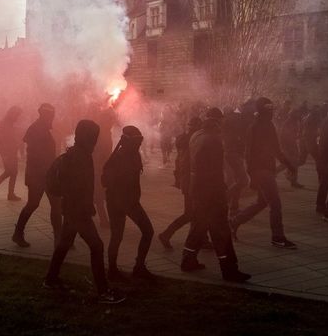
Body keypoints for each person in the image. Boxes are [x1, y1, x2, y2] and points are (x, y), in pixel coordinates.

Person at [44, 120, 125, 304]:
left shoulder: (76, 153)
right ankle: (103, 291)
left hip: (72, 209)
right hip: (77, 211)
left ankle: (50, 279)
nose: (95, 140)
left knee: (64, 244)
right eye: (93, 136)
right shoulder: (80, 157)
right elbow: (77, 188)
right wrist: (86, 208)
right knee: (97, 246)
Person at [180, 108, 251, 283]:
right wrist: (222, 192)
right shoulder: (215, 140)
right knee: (221, 231)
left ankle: (187, 261)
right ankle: (229, 270)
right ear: (217, 122)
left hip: (196, 189)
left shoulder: (196, 135)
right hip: (211, 192)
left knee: (198, 226)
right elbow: (215, 172)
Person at [230, 97, 297, 249]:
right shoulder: (258, 127)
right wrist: (252, 173)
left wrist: (288, 165)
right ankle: (277, 237)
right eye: (269, 109)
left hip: (264, 170)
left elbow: (275, 149)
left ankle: (234, 222)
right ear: (263, 110)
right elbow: (250, 152)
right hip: (262, 170)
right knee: (275, 204)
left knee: (262, 202)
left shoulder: (265, 125)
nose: (272, 112)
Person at [102, 126, 156, 282]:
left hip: (127, 201)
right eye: (136, 141)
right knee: (133, 233)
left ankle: (134, 268)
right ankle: (116, 269)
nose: (139, 144)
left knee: (121, 235)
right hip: (121, 201)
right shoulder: (119, 157)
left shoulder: (132, 155)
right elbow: (109, 182)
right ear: (127, 141)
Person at [12, 103, 61, 248]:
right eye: (50, 115)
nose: (52, 118)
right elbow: (36, 154)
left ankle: (60, 238)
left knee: (55, 205)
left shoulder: (43, 128)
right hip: (39, 174)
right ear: (44, 115)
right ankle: (18, 233)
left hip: (43, 173)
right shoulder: (37, 128)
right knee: (36, 204)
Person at [158, 117, 202, 249]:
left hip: (186, 180)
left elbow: (179, 162)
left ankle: (202, 239)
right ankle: (166, 234)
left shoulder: (184, 140)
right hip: (192, 182)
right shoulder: (193, 142)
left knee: (196, 213)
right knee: (191, 213)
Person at [0, 106, 23, 201]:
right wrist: (2, 146)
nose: (18, 117)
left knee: (12, 172)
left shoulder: (10, 124)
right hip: (7, 152)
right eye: (17, 115)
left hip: (11, 151)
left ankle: (7, 192)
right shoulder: (4, 124)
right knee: (11, 171)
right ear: (12, 114)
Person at [222, 108, 249, 216]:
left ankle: (233, 206)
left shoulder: (226, 121)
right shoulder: (238, 122)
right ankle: (226, 202)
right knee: (242, 180)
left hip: (229, 153)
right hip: (234, 154)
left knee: (233, 180)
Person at [279, 110, 305, 188]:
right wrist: (286, 147)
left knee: (292, 162)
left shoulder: (294, 122)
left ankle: (293, 180)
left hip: (292, 144)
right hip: (289, 145)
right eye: (297, 114)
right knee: (290, 162)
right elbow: (284, 135)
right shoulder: (289, 122)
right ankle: (292, 180)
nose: (298, 115)